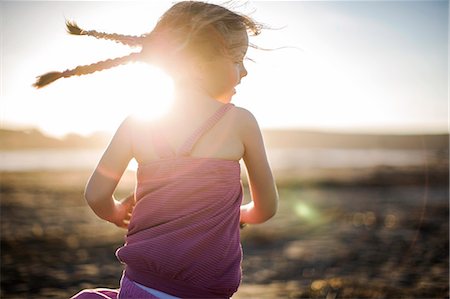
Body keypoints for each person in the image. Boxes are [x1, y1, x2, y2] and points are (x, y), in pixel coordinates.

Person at [35, 1, 278, 298]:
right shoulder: (241, 121)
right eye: (238, 60)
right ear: (200, 63)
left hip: (139, 285)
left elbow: (96, 194)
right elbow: (266, 208)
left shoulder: (138, 122)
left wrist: (115, 213)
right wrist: (239, 213)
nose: (244, 73)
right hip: (207, 291)